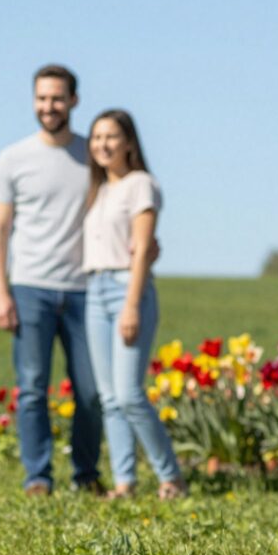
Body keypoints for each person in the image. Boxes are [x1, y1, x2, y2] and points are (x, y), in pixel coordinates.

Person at [0, 64, 103, 496]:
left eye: (56, 98)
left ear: (73, 100)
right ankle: (38, 477)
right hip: (30, 286)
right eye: (41, 98)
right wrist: (1, 290)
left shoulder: (95, 153)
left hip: (86, 289)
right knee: (33, 389)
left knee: (91, 392)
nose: (48, 106)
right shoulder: (13, 158)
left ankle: (87, 474)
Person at [82, 109, 187, 500]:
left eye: (111, 137)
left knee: (129, 394)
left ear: (128, 142)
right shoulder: (99, 190)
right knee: (109, 398)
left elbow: (142, 248)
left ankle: (171, 477)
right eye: (96, 138)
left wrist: (131, 305)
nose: (102, 145)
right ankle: (124, 482)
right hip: (94, 290)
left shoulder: (142, 184)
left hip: (129, 288)